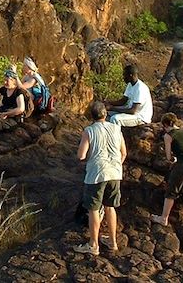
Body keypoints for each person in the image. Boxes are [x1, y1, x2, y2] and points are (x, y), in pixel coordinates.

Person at [73, 101, 127, 256]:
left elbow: (81, 155)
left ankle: (93, 244)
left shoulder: (89, 130)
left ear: (92, 116)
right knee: (110, 207)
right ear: (105, 114)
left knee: (93, 209)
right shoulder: (117, 129)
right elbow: (123, 153)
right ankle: (113, 242)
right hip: (115, 172)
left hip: (96, 174)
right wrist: (116, 165)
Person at [151, 113, 183, 234]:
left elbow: (169, 157)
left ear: (165, 124)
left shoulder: (168, 136)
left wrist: (173, 160)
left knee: (171, 192)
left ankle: (164, 218)